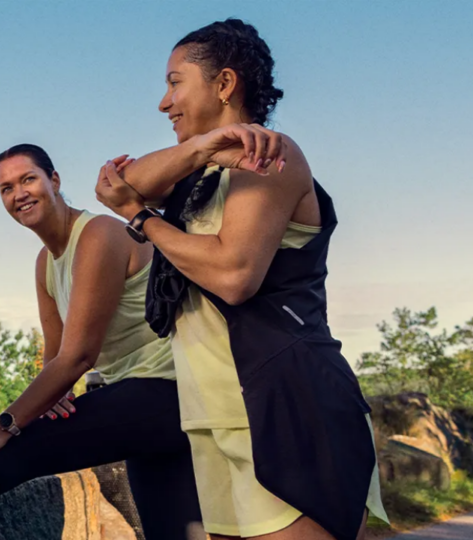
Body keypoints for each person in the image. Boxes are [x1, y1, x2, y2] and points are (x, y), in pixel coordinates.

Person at [94, 18, 388, 540]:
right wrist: (203, 148)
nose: (164, 102)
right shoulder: (201, 172)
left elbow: (234, 275)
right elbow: (117, 184)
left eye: (175, 81)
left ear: (225, 83)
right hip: (213, 416)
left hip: (286, 408)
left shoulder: (272, 156)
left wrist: (142, 220)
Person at [0, 143, 204, 540]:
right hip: (135, 402)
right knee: (173, 532)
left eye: (28, 179)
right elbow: (56, 357)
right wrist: (53, 392)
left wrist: (2, 425)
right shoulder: (46, 262)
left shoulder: (99, 233)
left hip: (168, 391)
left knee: (13, 448)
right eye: (6, 188)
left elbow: (79, 356)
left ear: (54, 181)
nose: (19, 193)